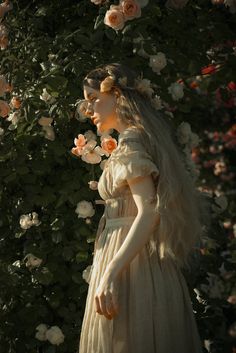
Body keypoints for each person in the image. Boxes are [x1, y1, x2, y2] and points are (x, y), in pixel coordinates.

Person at [77, 62, 206, 353]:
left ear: (118, 96)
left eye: (93, 98)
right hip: (136, 261)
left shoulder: (131, 144)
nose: (89, 109)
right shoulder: (133, 141)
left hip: (132, 268)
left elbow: (149, 212)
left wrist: (111, 271)